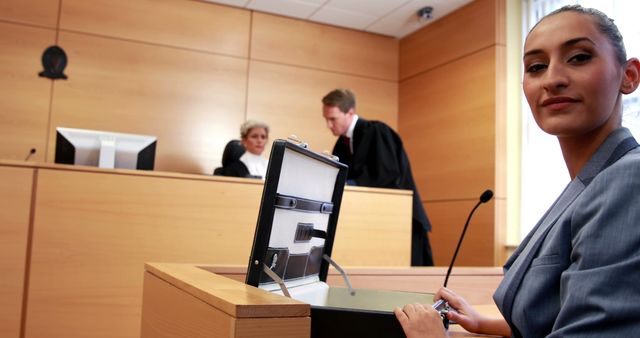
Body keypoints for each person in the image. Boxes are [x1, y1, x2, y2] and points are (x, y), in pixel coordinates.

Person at [393, 5, 640, 337]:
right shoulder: (592, 181)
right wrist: (490, 324)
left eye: (579, 57)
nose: (553, 79)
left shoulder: (627, 180)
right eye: (536, 67)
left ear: (629, 76)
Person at [321, 88, 434, 266]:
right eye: (326, 119)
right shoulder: (341, 145)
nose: (328, 125)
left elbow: (386, 175)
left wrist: (351, 184)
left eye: (332, 119)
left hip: (402, 223)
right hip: (370, 224)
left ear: (350, 113)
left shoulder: (376, 131)